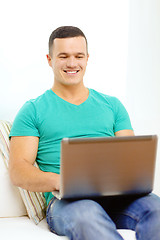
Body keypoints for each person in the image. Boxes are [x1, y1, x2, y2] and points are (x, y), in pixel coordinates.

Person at [9, 26, 160, 240]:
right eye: (63, 56)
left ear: (87, 58)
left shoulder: (112, 105)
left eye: (78, 56)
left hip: (117, 197)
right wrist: (62, 181)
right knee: (87, 215)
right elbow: (18, 170)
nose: (72, 63)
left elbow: (130, 160)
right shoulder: (33, 110)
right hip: (67, 203)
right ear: (49, 59)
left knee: (156, 209)